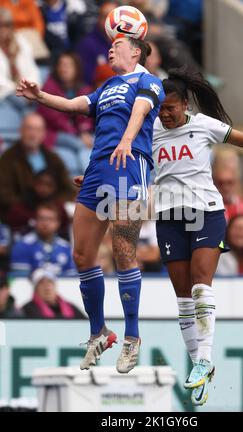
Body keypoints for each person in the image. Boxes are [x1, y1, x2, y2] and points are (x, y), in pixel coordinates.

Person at [16, 36, 164, 373]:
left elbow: (141, 110)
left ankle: (132, 336)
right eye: (110, 44)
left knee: (123, 248)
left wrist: (126, 141)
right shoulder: (108, 86)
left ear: (136, 51)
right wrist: (40, 96)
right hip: (98, 168)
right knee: (81, 254)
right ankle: (99, 331)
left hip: (130, 163)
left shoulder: (147, 80)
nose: (111, 48)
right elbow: (73, 105)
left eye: (118, 45)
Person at [152, 65, 243, 406]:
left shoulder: (205, 125)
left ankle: (204, 357)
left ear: (185, 104)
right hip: (169, 217)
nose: (165, 114)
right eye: (160, 108)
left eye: (170, 108)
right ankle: (199, 366)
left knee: (202, 285)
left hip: (206, 212)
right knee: (184, 298)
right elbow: (129, 160)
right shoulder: (150, 130)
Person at [0, 113, 74, 221]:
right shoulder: (8, 158)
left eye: (37, 130)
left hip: (52, 212)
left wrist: (52, 206)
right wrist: (29, 208)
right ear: (21, 131)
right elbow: (4, 192)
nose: (33, 134)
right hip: (23, 213)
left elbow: (67, 188)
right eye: (29, 129)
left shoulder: (53, 158)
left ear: (44, 134)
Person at [37, 51, 94, 175]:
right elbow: (54, 118)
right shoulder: (48, 87)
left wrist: (84, 131)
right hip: (53, 133)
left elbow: (85, 116)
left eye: (68, 65)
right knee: (79, 145)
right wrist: (77, 134)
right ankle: (86, 177)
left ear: (76, 69)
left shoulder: (83, 88)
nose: (64, 69)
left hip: (76, 132)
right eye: (61, 65)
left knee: (97, 143)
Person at [11, 203, 76, 276]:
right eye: (41, 218)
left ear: (58, 223)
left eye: (50, 219)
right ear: (35, 221)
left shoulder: (66, 247)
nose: (45, 223)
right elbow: (20, 280)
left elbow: (71, 278)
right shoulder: (22, 246)